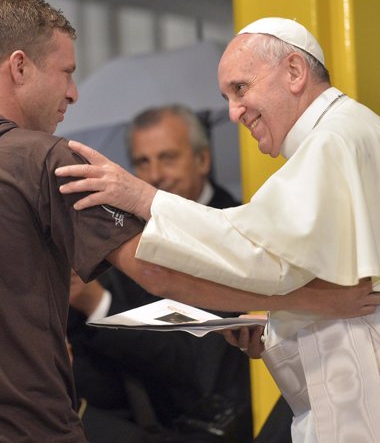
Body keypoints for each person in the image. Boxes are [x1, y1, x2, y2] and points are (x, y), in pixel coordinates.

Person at [0, 0, 380, 443]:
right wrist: (310, 299)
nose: (73, 93)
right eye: (64, 72)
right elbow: (157, 271)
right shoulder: (44, 162)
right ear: (19, 67)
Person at [55, 17, 380, 442]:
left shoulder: (335, 140)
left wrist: (142, 198)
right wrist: (276, 326)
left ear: (293, 71)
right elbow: (321, 276)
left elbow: (255, 251)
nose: (233, 112)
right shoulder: (339, 138)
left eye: (240, 88)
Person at [68, 105, 256, 442]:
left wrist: (100, 304)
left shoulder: (241, 234)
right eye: (143, 162)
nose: (155, 174)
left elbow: (200, 357)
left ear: (203, 160)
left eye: (168, 158)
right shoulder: (122, 236)